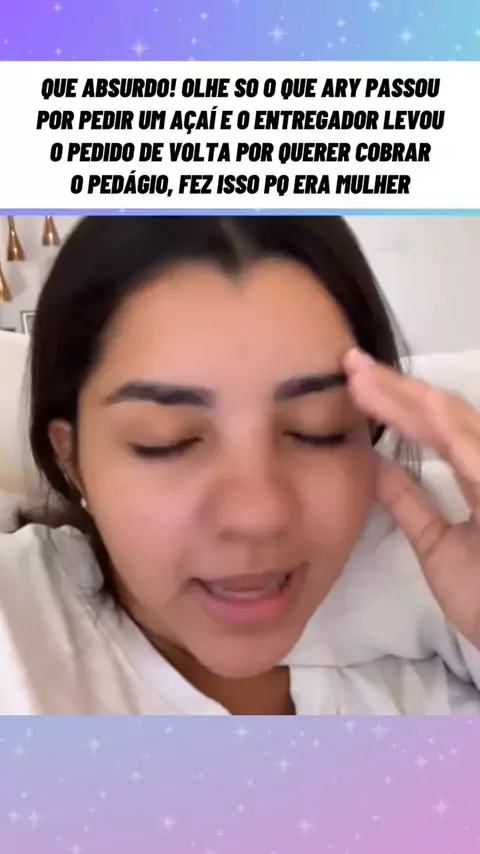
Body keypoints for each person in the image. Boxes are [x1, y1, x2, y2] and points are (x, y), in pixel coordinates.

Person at [1, 214, 480, 716]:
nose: (258, 516)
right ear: (72, 459)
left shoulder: (431, 634)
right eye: (170, 441)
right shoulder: (19, 633)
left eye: (317, 429)